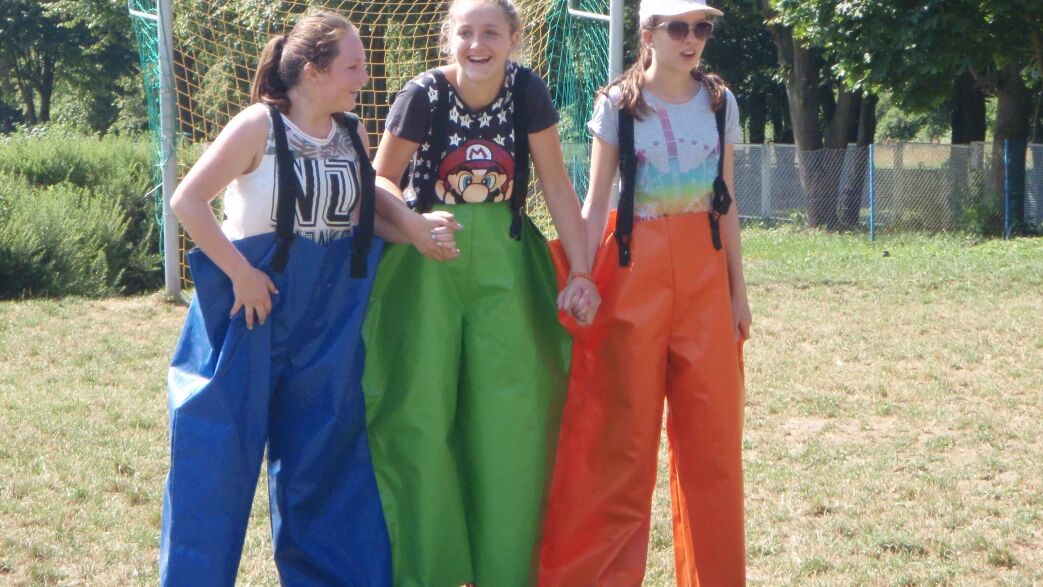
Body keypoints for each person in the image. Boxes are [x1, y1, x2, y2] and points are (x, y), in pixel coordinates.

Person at [359, 0, 601, 584]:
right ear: (449, 38)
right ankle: (427, 571)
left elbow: (557, 185)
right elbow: (380, 178)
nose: (477, 44)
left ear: (514, 38)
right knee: (420, 414)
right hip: (424, 266)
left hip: (506, 267)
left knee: (510, 418)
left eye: (490, 32)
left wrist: (582, 272)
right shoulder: (422, 95)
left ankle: (504, 571)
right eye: (465, 32)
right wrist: (416, 225)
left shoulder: (528, 92)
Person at [161, 12, 393, 586]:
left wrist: (416, 227)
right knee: (215, 462)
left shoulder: (353, 134)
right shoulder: (257, 127)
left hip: (326, 318)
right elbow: (187, 201)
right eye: (353, 66)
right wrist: (240, 273)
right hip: (247, 312)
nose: (364, 78)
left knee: (324, 460)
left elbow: (368, 214)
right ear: (313, 72)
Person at [538, 0, 751, 584]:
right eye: (678, 26)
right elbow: (594, 201)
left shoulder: (720, 102)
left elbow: (727, 203)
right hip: (633, 277)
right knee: (622, 450)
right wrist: (582, 274)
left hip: (706, 281)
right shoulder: (618, 104)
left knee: (713, 447)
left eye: (702, 27)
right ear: (648, 33)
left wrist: (738, 291)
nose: (691, 38)